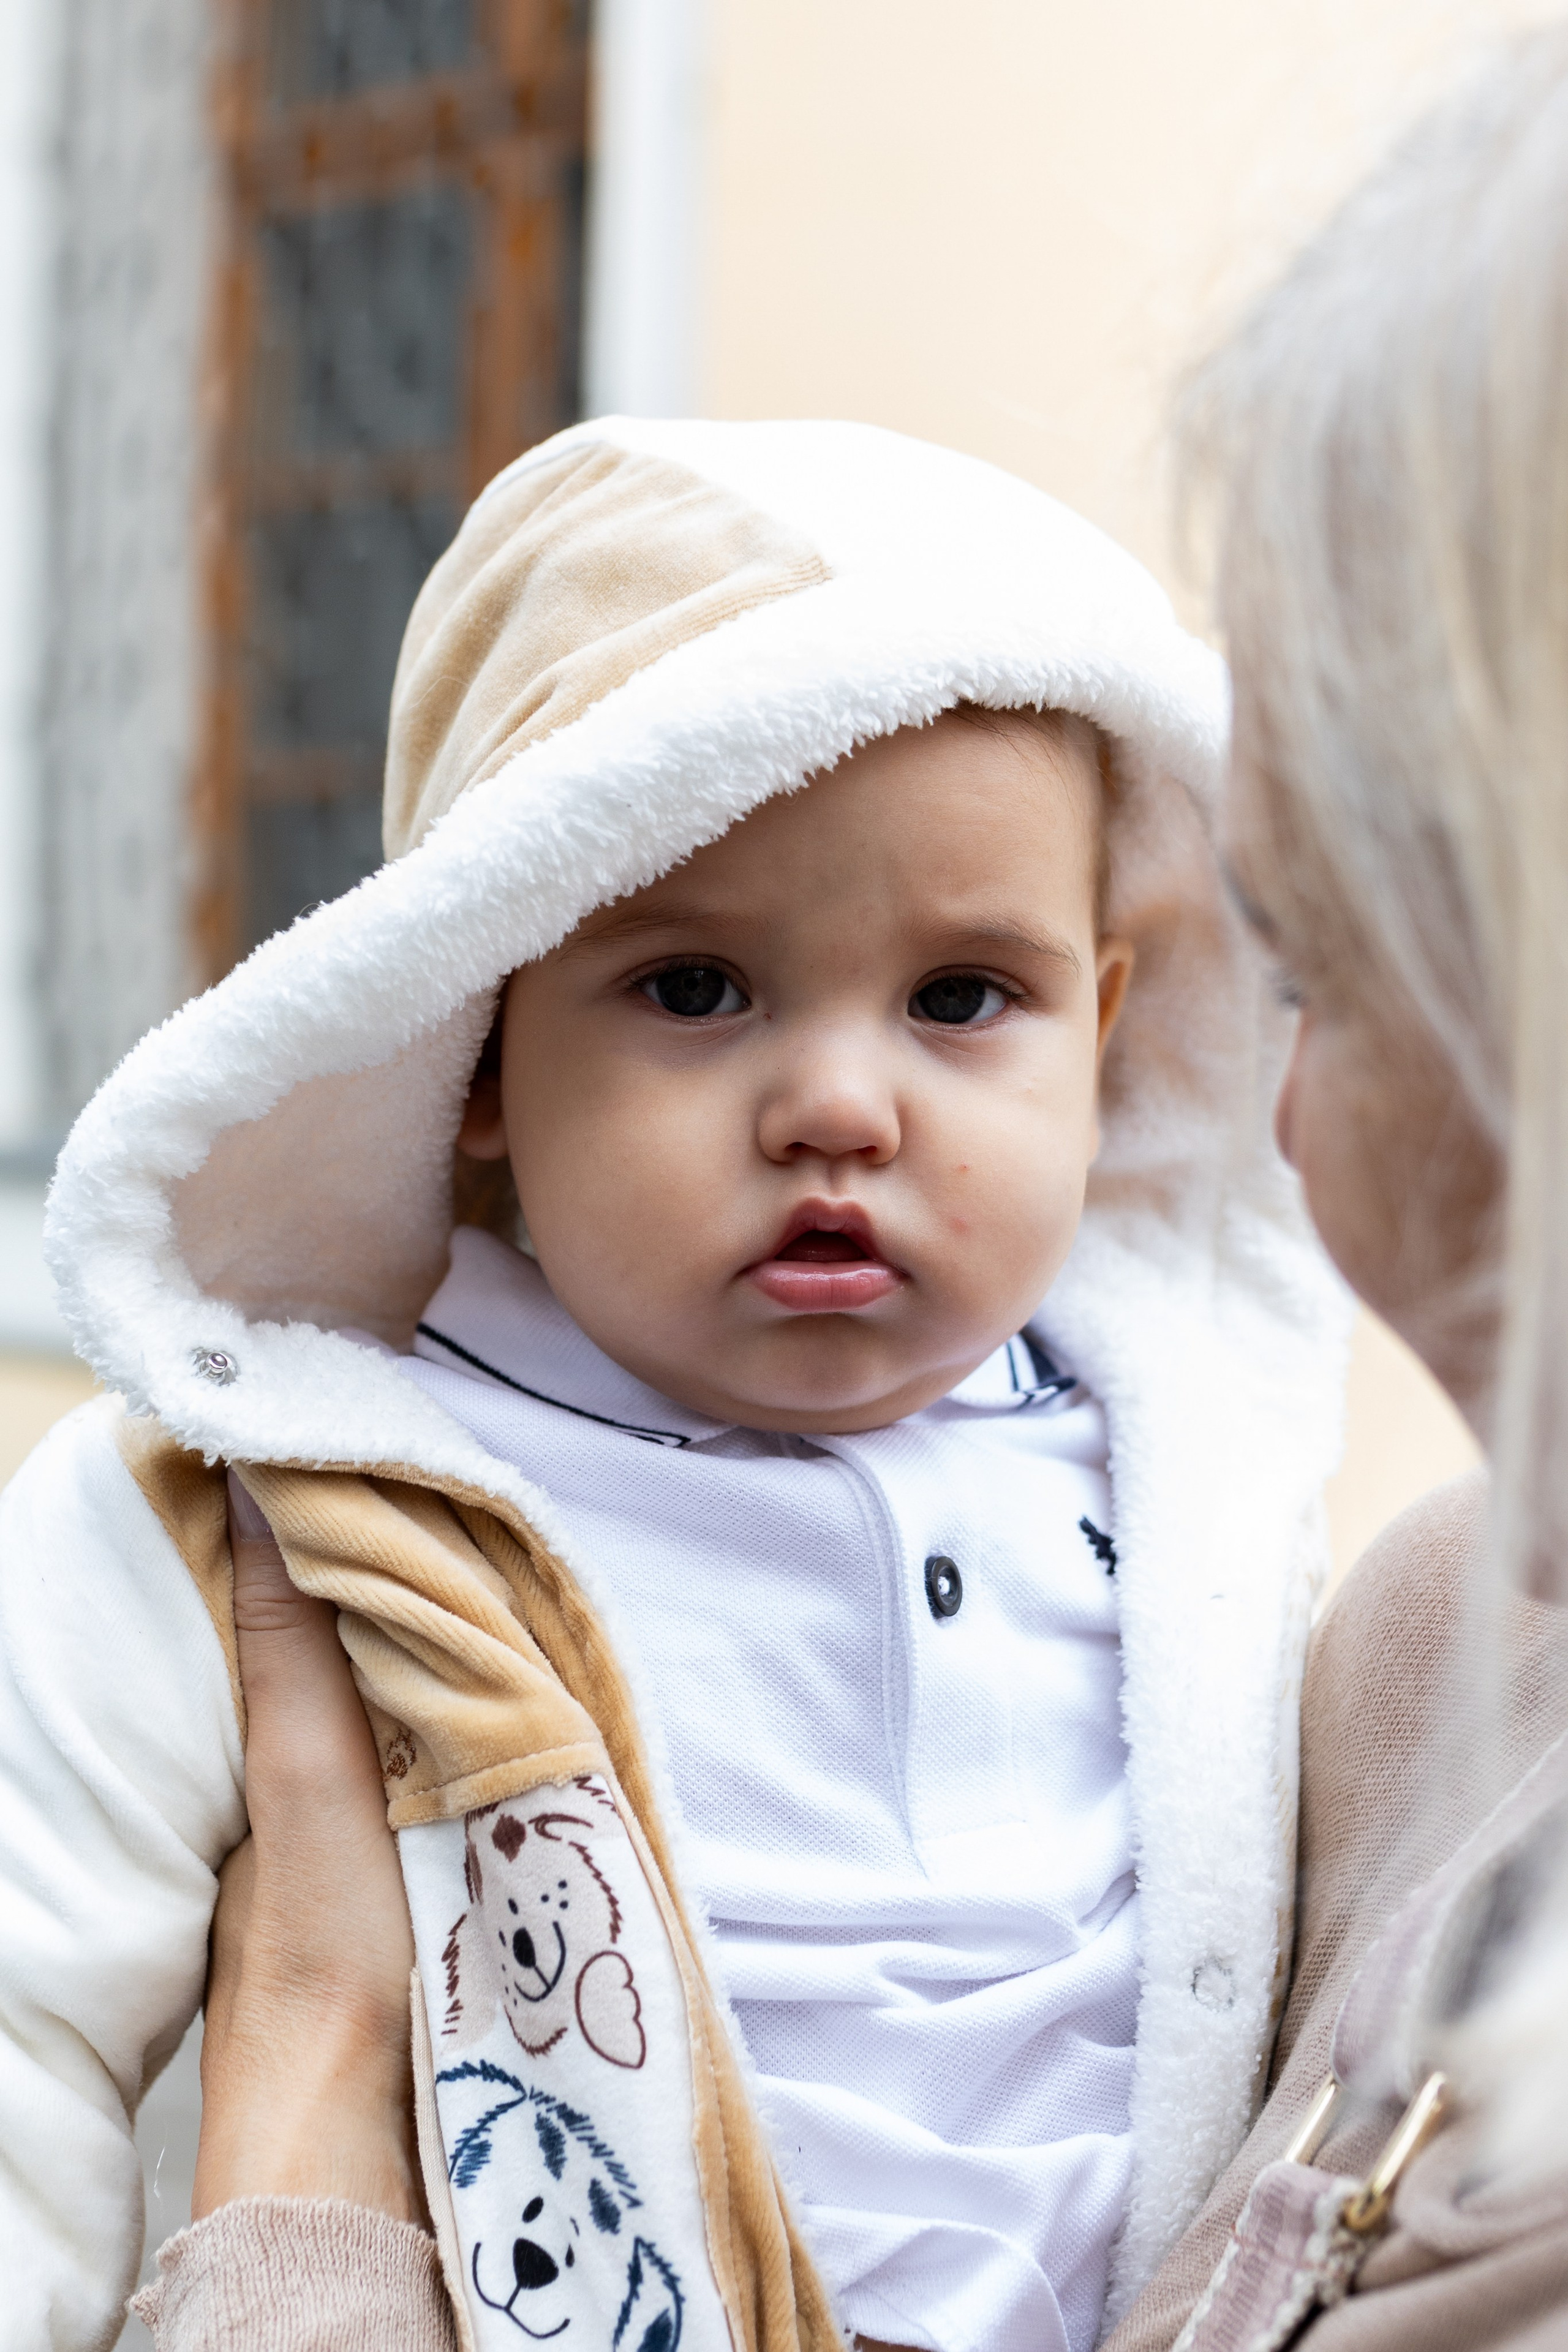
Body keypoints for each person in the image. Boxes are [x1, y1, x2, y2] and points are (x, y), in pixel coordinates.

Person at [0, 422, 1346, 2352]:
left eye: (964, 998)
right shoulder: (285, 1509)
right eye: (698, 989)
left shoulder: (1190, 1510)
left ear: (1104, 1029)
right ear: (471, 1038)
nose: (839, 1106)